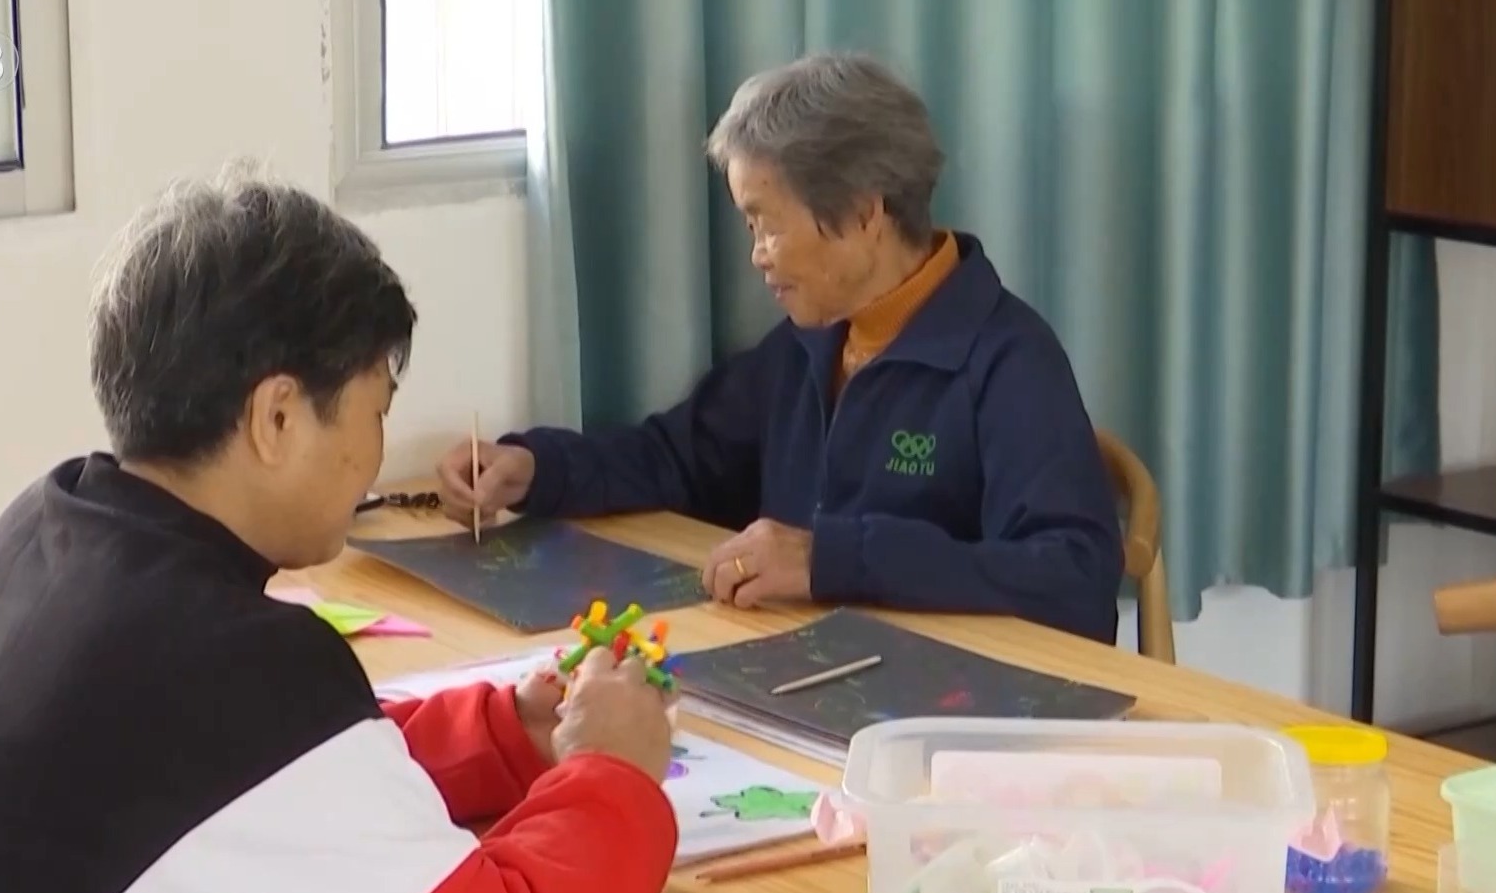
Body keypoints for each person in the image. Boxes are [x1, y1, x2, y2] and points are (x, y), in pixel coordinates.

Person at [0, 165, 679, 893]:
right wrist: (610, 768)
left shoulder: (46, 528)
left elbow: (269, 772)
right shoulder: (244, 663)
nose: (376, 457)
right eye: (375, 413)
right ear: (278, 418)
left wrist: (505, 731)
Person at [437, 53, 1124, 645]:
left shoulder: (1009, 361)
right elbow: (677, 458)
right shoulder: (807, 342)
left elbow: (1076, 579)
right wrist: (535, 469)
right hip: (806, 668)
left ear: (863, 213)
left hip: (937, 718)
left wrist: (833, 559)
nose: (757, 257)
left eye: (766, 226)